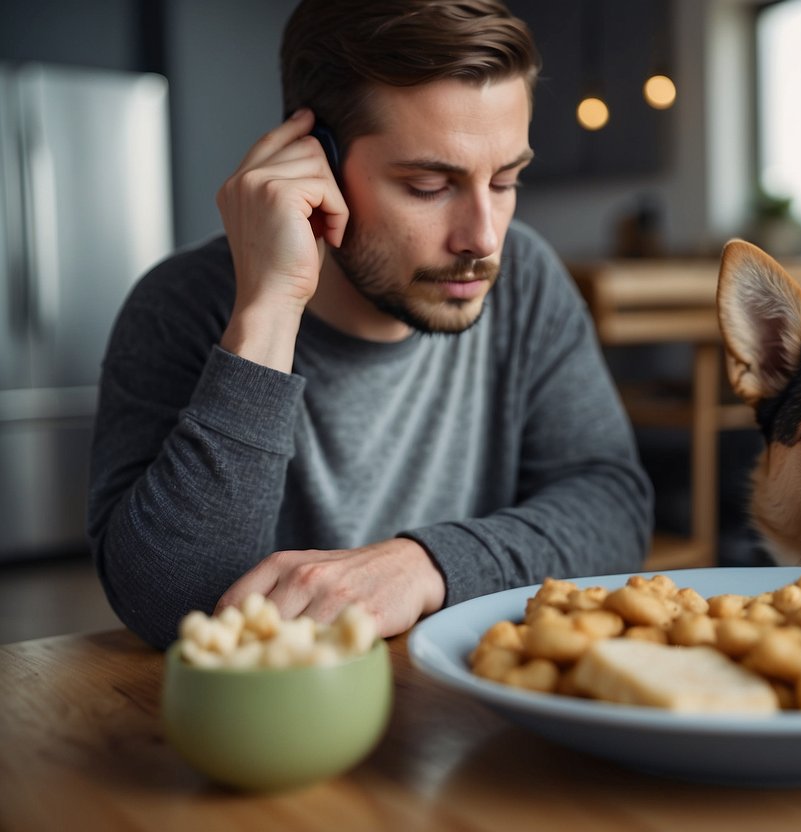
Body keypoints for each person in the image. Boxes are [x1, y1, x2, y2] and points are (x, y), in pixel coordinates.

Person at [87, 0, 654, 650]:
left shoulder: (525, 278)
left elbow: (612, 508)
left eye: (505, 180)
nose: (484, 237)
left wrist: (425, 566)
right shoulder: (178, 306)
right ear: (316, 164)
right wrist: (269, 311)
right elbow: (170, 606)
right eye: (427, 186)